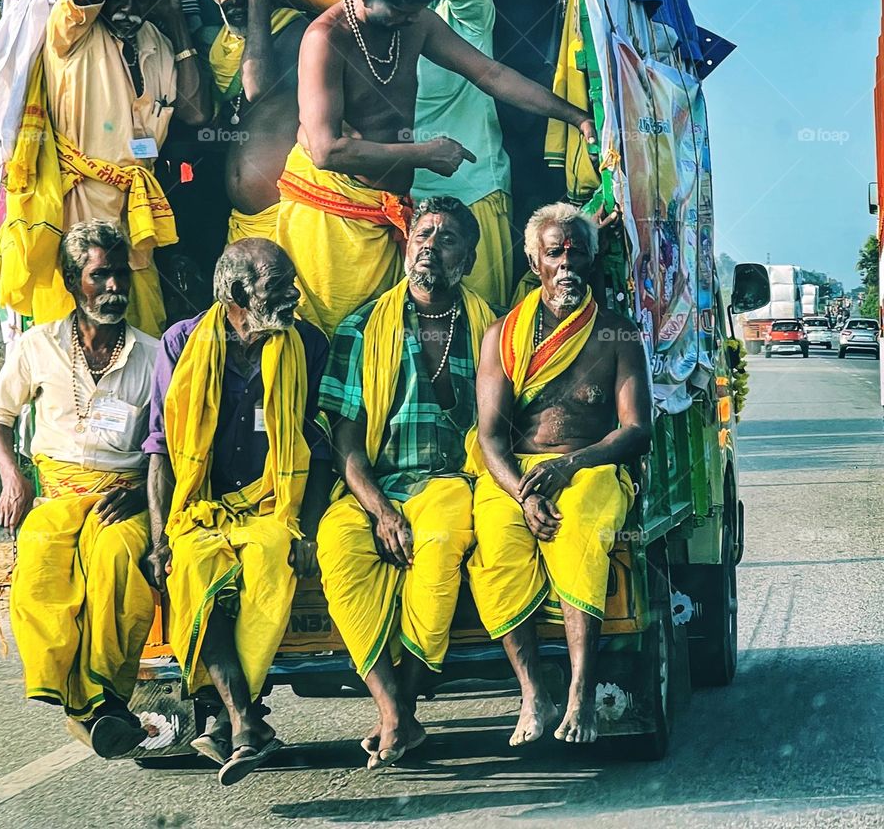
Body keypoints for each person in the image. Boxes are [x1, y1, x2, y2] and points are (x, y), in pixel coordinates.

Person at [277, 0, 596, 336]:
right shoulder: (325, 38)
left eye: (416, 12)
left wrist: (573, 115)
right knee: (339, 335)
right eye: (401, 11)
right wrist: (424, 155)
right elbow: (325, 150)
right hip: (330, 212)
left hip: (389, 213)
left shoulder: (415, 20)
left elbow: (491, 74)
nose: (410, 20)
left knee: (387, 337)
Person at [316, 197, 495, 769]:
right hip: (374, 485)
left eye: (446, 240)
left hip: (451, 481)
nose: (429, 246)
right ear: (406, 243)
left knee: (440, 544)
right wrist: (380, 511)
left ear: (466, 259)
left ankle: (399, 710)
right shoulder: (363, 325)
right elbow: (344, 440)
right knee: (338, 548)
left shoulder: (490, 328)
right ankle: (397, 712)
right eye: (422, 233)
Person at [144, 239, 331, 786]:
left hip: (276, 504)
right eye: (278, 285)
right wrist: (160, 540)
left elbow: (317, 446)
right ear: (236, 292)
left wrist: (310, 529)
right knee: (193, 570)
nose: (294, 294)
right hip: (202, 505)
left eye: (292, 282)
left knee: (272, 560)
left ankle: (233, 722)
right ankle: (246, 719)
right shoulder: (182, 343)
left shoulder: (308, 344)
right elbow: (159, 448)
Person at [467, 203, 651, 746]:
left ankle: (580, 693)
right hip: (515, 476)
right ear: (533, 260)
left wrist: (571, 464)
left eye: (577, 253)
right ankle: (533, 695)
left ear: (593, 261)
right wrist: (523, 495)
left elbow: (636, 429)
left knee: (578, 533)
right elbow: (490, 438)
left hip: (590, 464)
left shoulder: (616, 334)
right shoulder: (502, 336)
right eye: (555, 253)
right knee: (496, 545)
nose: (566, 263)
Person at [0, 220, 158, 757]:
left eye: (120, 276)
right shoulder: (38, 346)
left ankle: (101, 698)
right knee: (39, 555)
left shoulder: (154, 354)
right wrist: (12, 476)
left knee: (116, 563)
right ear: (71, 281)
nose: (114, 288)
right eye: (99, 276)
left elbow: (167, 441)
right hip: (58, 494)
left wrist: (140, 494)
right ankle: (75, 697)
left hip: (122, 496)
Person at [43, 0, 208, 335]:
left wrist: (176, 22)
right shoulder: (71, 30)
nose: (130, 6)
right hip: (79, 218)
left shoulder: (155, 40)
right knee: (81, 336)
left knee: (144, 337)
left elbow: (195, 114)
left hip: (137, 228)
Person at [408, 0, 514, 309]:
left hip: (474, 195)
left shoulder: (466, 17)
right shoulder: (392, 19)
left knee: (480, 321)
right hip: (406, 205)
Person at [202, 0, 309, 243]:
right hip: (243, 223)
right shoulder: (222, 47)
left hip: (286, 215)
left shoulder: (296, 32)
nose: (235, 0)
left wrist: (259, 0)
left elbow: (258, 86)